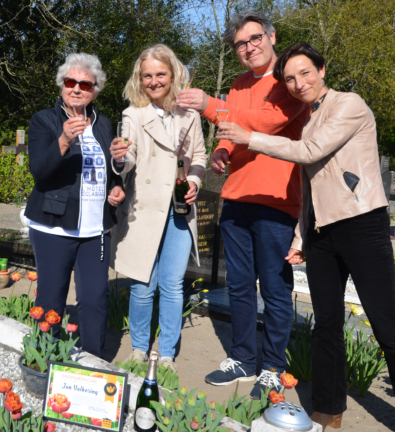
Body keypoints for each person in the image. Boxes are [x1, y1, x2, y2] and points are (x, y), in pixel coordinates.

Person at [217, 43, 395, 431]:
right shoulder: (310, 118)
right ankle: (327, 411)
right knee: (326, 324)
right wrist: (301, 236)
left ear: (323, 69)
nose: (299, 84)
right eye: (290, 79)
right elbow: (310, 184)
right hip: (321, 233)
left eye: (306, 73)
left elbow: (309, 152)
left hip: (361, 223)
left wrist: (249, 137)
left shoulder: (349, 104)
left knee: (386, 322)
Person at [177, 9, 311, 399]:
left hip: (276, 201)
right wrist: (221, 150)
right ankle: (241, 358)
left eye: (254, 39)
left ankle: (272, 366)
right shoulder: (237, 84)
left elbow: (265, 122)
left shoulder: (289, 81)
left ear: (271, 37)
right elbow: (232, 131)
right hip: (235, 197)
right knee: (237, 285)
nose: (249, 47)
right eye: (240, 44)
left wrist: (209, 104)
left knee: (273, 287)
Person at [109, 44, 207, 373]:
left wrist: (193, 182)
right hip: (145, 209)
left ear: (173, 74)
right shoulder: (132, 115)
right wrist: (120, 158)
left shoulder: (190, 115)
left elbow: (199, 158)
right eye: (147, 75)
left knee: (172, 285)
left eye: (160, 74)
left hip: (180, 209)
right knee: (141, 284)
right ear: (140, 78)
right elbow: (128, 158)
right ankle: (138, 349)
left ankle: (166, 354)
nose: (154, 81)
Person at [25, 53, 126, 358]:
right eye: (71, 82)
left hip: (96, 229)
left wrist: (117, 183)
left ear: (96, 90)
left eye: (86, 84)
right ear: (61, 85)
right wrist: (64, 140)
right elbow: (39, 170)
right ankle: (45, 360)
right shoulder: (45, 120)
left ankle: (94, 363)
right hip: (53, 226)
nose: (77, 88)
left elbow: (108, 172)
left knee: (95, 298)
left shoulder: (105, 123)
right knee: (51, 299)